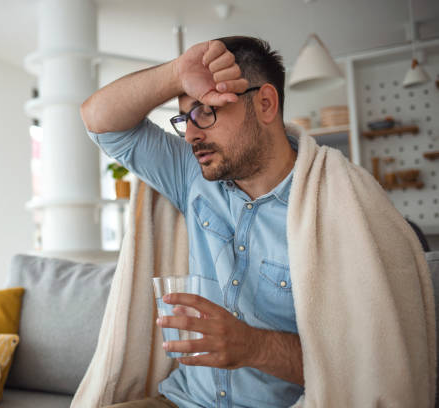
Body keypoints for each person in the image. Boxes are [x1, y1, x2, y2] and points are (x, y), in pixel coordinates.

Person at [80, 36, 434, 407]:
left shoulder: (336, 208)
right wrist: (175, 74)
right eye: (184, 117)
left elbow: (365, 367)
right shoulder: (192, 174)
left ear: (265, 103)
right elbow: (99, 120)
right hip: (184, 401)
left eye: (206, 110)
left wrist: (252, 345)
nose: (191, 133)